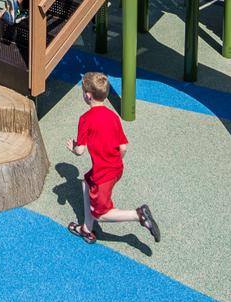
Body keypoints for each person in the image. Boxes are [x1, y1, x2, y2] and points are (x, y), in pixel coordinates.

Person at [65, 71, 161, 245]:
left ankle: (138, 214)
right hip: (116, 168)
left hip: (103, 174)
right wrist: (113, 160)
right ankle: (87, 229)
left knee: (100, 214)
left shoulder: (85, 119)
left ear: (87, 96)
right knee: (86, 182)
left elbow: (80, 151)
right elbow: (123, 147)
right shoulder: (113, 117)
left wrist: (73, 148)